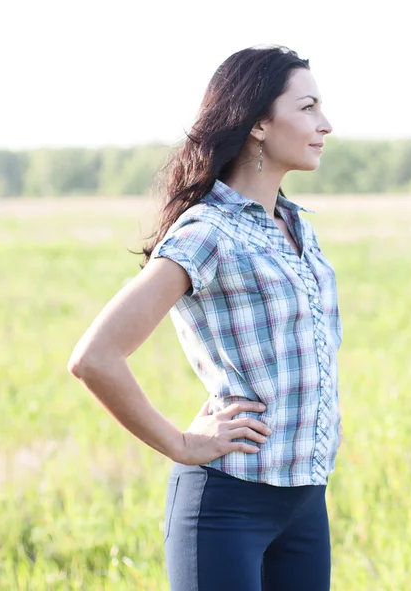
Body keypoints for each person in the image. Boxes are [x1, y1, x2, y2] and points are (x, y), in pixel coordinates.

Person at [68, 45, 343, 591]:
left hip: (306, 505)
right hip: (226, 509)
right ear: (260, 122)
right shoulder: (209, 231)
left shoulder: (296, 226)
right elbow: (95, 358)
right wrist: (183, 444)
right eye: (308, 107)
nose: (326, 124)